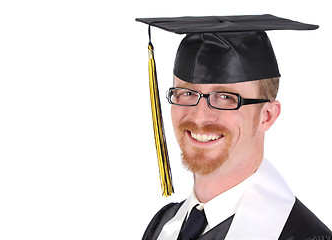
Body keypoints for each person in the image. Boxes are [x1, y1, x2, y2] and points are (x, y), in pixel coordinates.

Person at [136, 15, 332, 240]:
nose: (200, 116)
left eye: (225, 97)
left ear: (266, 116)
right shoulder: (163, 225)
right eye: (187, 93)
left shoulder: (301, 236)